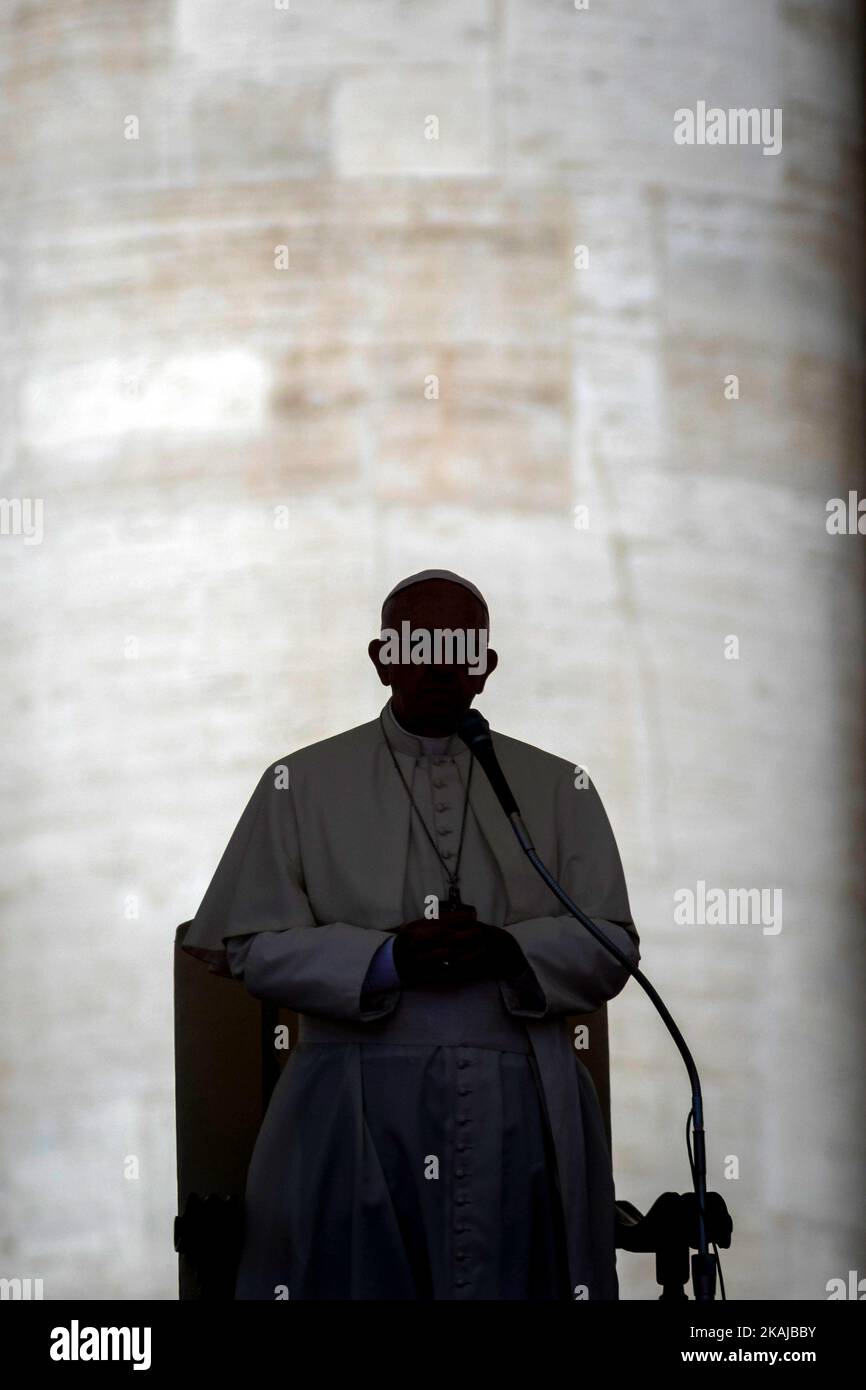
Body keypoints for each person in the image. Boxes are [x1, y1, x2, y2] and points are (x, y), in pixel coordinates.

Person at [181, 568, 640, 1300]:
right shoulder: (301, 783)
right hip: (353, 1101)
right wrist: (385, 958)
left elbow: (613, 945)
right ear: (381, 656)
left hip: (518, 1104)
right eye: (417, 644)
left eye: (458, 647)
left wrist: (509, 949)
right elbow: (247, 946)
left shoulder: (558, 787)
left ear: (486, 665)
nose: (437, 663)